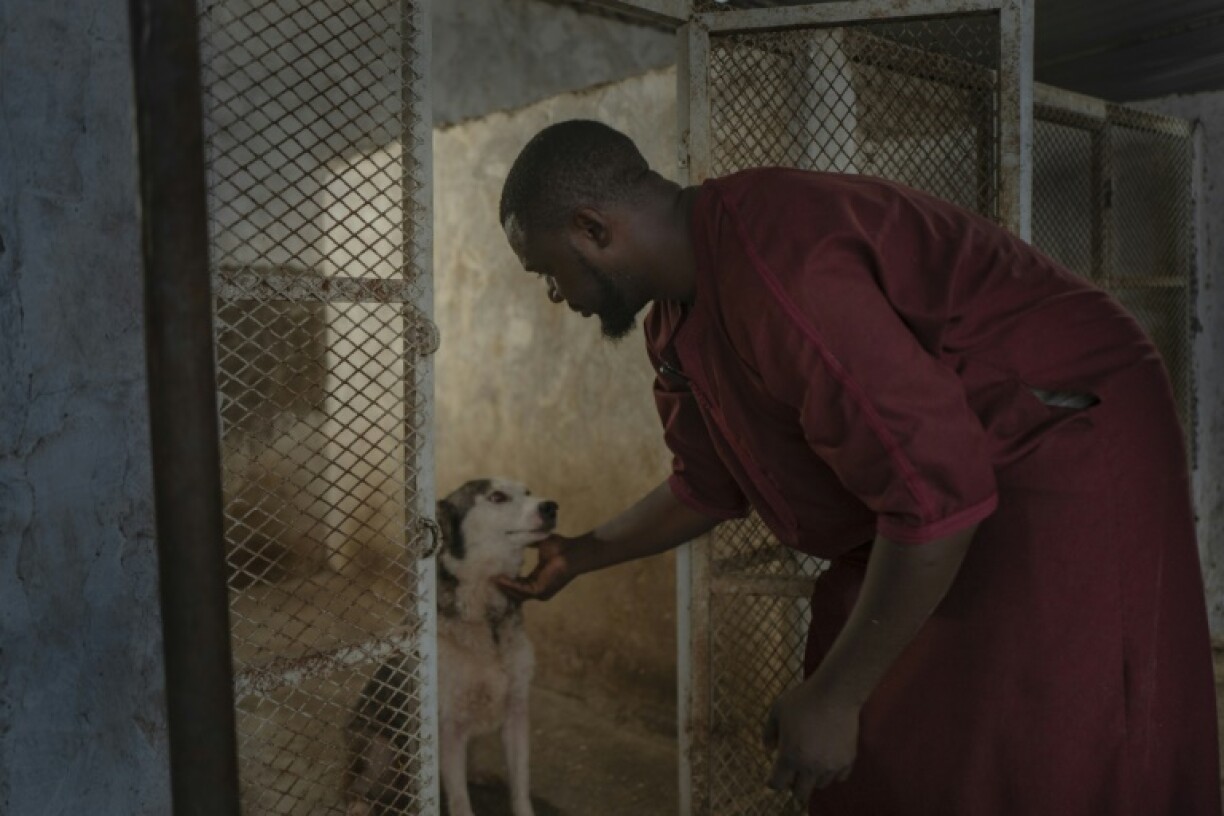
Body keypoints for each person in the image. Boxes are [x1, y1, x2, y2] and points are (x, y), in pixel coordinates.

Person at [493, 119, 1220, 815]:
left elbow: (934, 497)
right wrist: (582, 554)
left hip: (1061, 434)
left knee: (1040, 730)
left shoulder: (781, 263)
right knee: (894, 718)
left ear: (593, 229)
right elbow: (707, 486)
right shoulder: (673, 325)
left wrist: (836, 696)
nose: (555, 296)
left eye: (547, 273)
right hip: (937, 487)